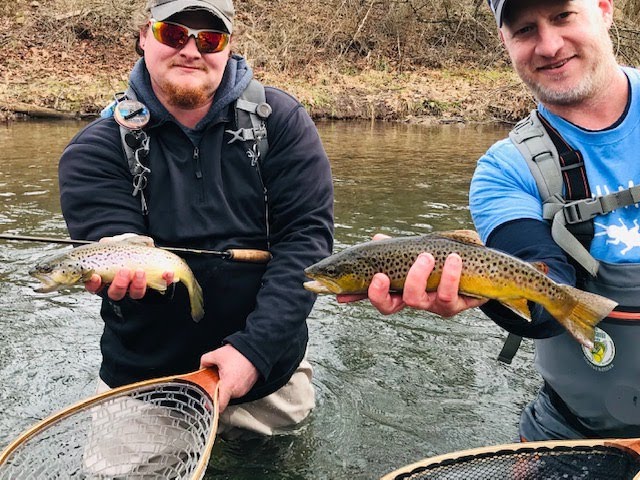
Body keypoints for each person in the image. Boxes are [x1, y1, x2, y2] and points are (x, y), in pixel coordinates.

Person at [340, 0, 640, 442]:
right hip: (573, 432)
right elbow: (540, 304)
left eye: (562, 16)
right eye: (524, 30)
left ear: (604, 8)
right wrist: (483, 292)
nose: (549, 44)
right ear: (505, 41)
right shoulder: (504, 171)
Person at [58, 0, 334, 441]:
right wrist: (127, 274)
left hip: (269, 372)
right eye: (173, 34)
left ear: (228, 48)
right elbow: (112, 241)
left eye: (209, 39)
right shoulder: (95, 149)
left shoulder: (282, 123)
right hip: (144, 385)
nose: (191, 50)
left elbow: (306, 243)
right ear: (144, 36)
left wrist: (254, 352)